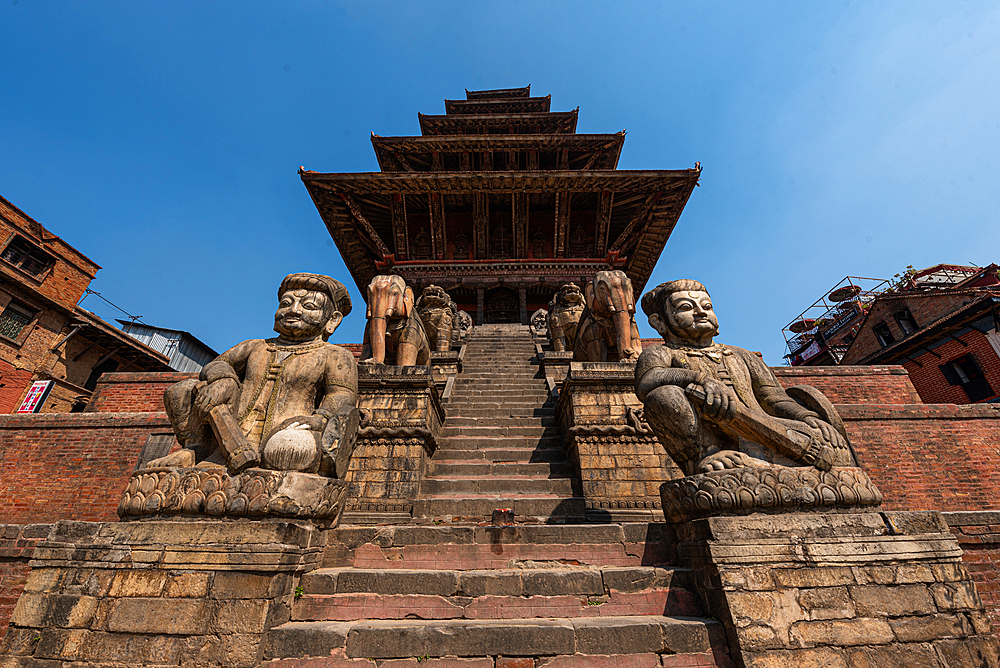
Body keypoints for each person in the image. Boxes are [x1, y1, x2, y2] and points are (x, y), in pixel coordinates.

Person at [148, 273, 358, 476]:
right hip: (231, 425)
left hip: (288, 430)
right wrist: (223, 379)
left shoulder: (335, 355)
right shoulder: (255, 346)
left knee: (290, 448)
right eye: (285, 304)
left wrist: (320, 418)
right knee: (182, 390)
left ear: (332, 320)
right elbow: (217, 364)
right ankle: (197, 448)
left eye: (308, 306)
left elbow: (341, 394)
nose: (293, 310)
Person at [635, 279, 849, 476]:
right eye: (686, 308)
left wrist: (806, 417)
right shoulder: (661, 353)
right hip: (718, 435)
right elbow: (647, 380)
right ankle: (708, 453)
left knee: (825, 439)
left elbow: (774, 398)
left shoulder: (742, 355)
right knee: (663, 395)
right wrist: (700, 378)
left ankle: (764, 463)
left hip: (767, 428)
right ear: (659, 322)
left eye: (707, 307)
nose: (701, 312)